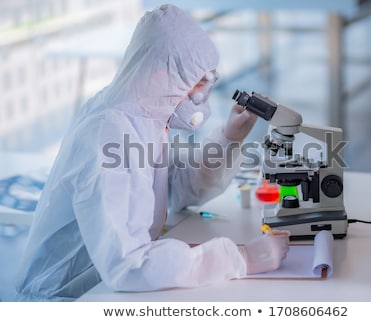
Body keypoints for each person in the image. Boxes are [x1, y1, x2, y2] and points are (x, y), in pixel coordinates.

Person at [15, 4, 289, 301]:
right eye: (195, 86)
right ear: (161, 75)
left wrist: (228, 138)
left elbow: (178, 190)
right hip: (67, 300)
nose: (199, 99)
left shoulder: (145, 117)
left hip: (107, 288)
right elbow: (128, 266)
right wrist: (241, 259)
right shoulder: (109, 133)